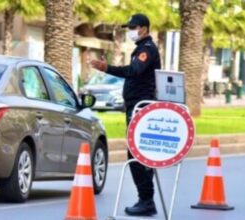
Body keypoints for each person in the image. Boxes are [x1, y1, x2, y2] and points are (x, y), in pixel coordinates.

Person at [91, 13, 161, 216]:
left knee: (137, 153)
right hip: (135, 107)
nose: (130, 31)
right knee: (137, 153)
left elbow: (134, 71)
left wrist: (108, 68)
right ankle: (146, 199)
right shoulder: (140, 48)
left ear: (144, 29)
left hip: (141, 108)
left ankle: (146, 199)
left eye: (133, 27)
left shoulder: (147, 49)